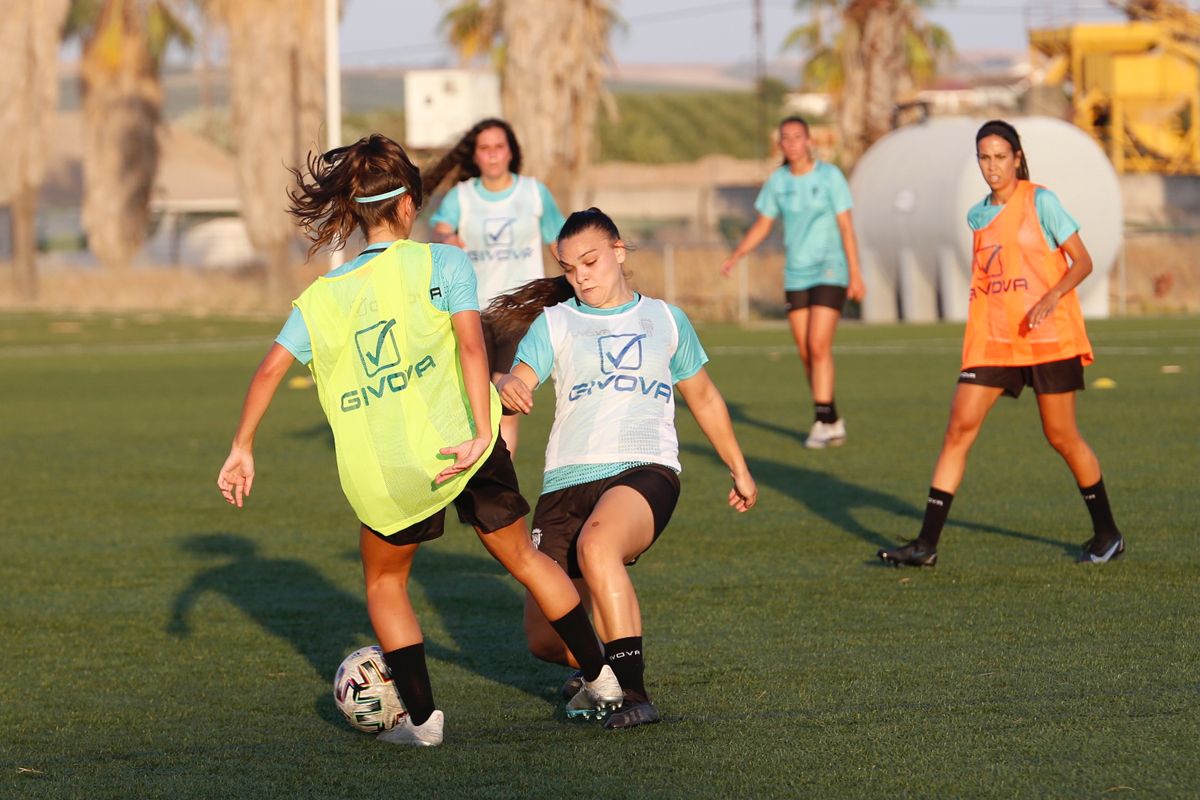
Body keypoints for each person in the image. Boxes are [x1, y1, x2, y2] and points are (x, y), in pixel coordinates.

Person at [215, 135, 622, 748]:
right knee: (523, 559)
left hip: (393, 470)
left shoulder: (322, 298)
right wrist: (484, 433)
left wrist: (242, 446)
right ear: (408, 205)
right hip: (469, 442)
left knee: (385, 584)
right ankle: (603, 678)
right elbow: (469, 345)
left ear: (354, 212)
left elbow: (270, 369)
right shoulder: (445, 263)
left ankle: (424, 724)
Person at [491, 208, 758, 729]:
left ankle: (634, 695)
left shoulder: (664, 319)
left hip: (644, 469)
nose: (581, 276)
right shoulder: (556, 322)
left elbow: (703, 397)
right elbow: (518, 377)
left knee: (599, 546)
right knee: (545, 639)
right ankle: (602, 671)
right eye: (569, 269)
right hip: (565, 483)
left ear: (618, 251)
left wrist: (738, 468)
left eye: (590, 261)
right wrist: (507, 385)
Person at [877, 119, 1125, 567]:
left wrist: (1051, 296)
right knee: (958, 430)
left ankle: (1107, 533)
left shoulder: (1041, 201)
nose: (992, 166)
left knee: (1061, 436)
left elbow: (1082, 261)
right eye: (984, 158)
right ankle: (926, 545)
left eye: (999, 157)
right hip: (993, 341)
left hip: (1048, 338)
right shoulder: (976, 215)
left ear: (1016, 157)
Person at [424, 118, 567, 456]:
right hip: (472, 308)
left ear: (511, 152)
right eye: (484, 148)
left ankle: (502, 480)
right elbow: (439, 228)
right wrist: (446, 237)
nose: (492, 155)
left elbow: (558, 243)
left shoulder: (533, 192)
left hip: (519, 310)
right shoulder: (463, 196)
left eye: (498, 147)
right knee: (472, 399)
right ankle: (476, 471)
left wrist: (584, 281)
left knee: (506, 402)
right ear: (475, 156)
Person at [721, 116, 865, 449]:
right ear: (780, 144)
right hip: (796, 273)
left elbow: (846, 226)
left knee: (818, 344)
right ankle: (831, 418)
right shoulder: (778, 181)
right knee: (805, 352)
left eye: (797, 137)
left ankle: (821, 421)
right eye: (785, 138)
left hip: (830, 269)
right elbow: (763, 224)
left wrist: (856, 273)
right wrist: (737, 253)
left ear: (809, 140)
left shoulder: (830, 176)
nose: (792, 143)